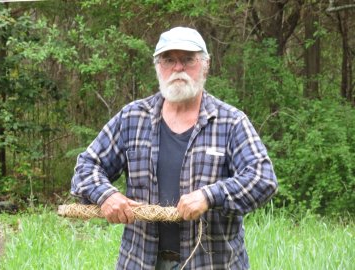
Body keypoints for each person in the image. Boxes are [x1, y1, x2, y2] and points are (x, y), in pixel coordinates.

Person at [71, 26, 278, 270]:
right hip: (139, 262)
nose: (178, 68)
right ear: (158, 66)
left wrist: (210, 196)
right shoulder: (132, 118)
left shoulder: (231, 122)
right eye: (169, 60)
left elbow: (263, 179)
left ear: (205, 64)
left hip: (212, 264)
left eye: (188, 60)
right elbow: (86, 167)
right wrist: (107, 195)